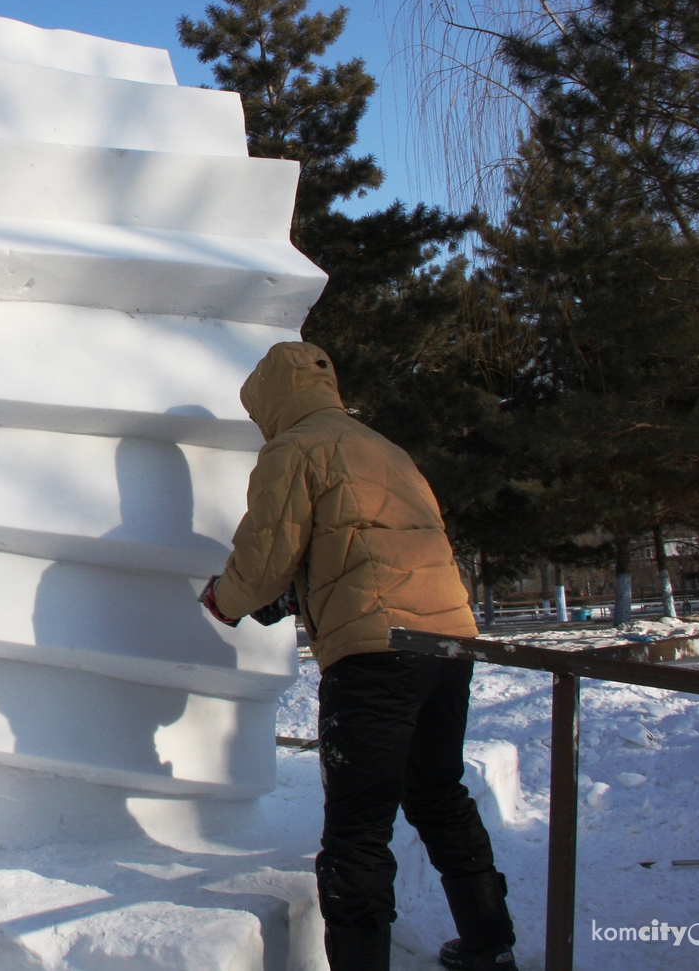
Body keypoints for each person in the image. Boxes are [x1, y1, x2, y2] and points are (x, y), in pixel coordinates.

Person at [198, 342, 517, 971]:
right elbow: (372, 548)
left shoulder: (294, 449)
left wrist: (225, 599)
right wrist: (308, 588)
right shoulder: (385, 449)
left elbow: (263, 560)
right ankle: (490, 942)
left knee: (357, 829)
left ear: (270, 399)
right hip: (448, 643)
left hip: (377, 656)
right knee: (437, 792)